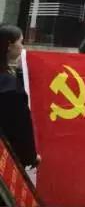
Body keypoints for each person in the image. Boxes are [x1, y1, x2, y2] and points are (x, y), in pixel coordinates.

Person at [0, 25, 39, 170]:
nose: (22, 47)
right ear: (9, 45)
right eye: (21, 42)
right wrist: (31, 157)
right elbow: (21, 129)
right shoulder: (11, 87)